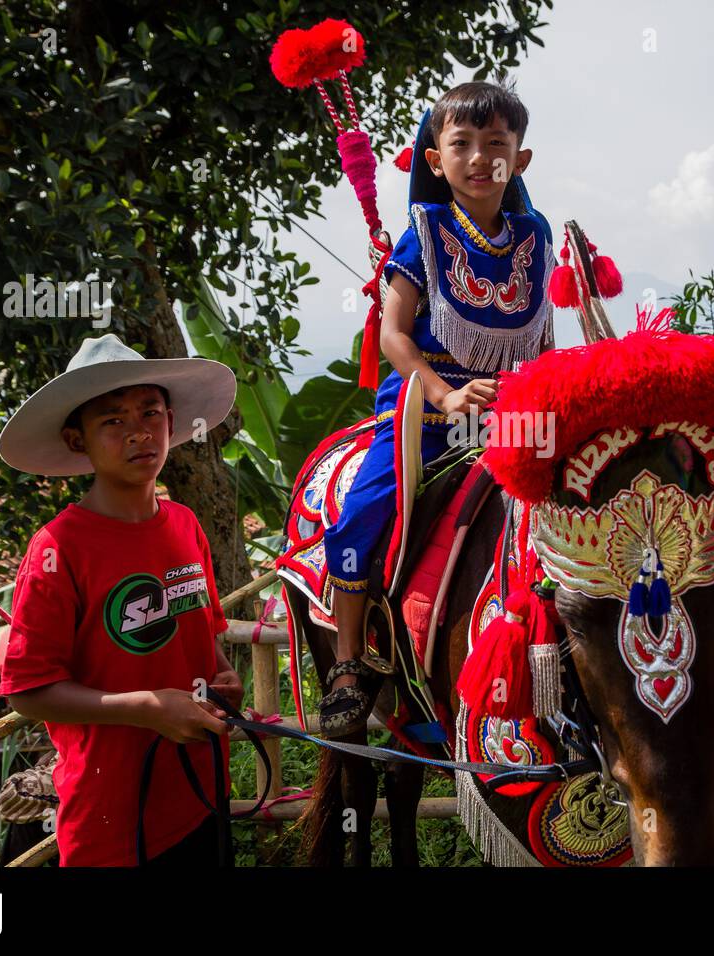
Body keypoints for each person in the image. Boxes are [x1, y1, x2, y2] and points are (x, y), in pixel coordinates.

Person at [318, 80, 556, 737]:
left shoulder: (537, 241)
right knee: (367, 508)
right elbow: (394, 332)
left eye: (497, 145)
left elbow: (543, 337)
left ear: (521, 160)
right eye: (463, 145)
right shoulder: (420, 238)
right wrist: (445, 392)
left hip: (510, 413)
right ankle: (346, 663)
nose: (481, 158)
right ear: (435, 160)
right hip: (426, 409)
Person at [0, 334, 244, 866]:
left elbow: (199, 627)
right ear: (76, 439)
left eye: (150, 412)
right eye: (112, 420)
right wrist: (143, 709)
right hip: (113, 817)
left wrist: (223, 676)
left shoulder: (185, 525)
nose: (138, 432)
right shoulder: (58, 550)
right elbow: (28, 691)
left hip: (202, 787)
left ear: (171, 424)